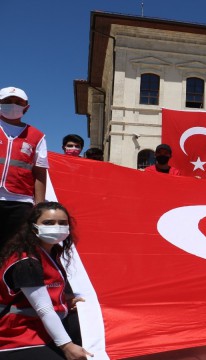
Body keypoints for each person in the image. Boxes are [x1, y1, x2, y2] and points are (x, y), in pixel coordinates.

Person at [0, 202, 93, 359]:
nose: (57, 227)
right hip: (17, 334)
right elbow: (44, 309)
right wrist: (67, 346)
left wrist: (64, 301)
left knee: (90, 329)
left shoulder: (50, 252)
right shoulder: (26, 262)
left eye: (62, 223)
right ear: (33, 227)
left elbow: (46, 292)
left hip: (43, 327)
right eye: (48, 223)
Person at [0, 87, 48, 248]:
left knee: (14, 249)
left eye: (18, 102)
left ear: (26, 107)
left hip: (21, 202)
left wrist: (39, 206)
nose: (13, 105)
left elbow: (40, 172)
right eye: (7, 101)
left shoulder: (37, 136)